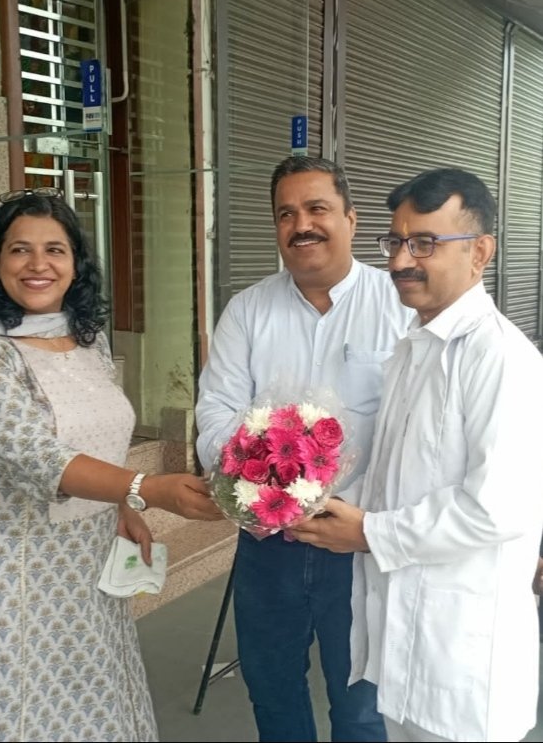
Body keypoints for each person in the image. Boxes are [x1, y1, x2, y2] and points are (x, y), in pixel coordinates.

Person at [0, 187, 224, 743]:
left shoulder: (87, 342)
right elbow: (35, 456)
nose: (38, 264)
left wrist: (122, 504)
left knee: (88, 709)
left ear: (76, 265)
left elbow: (96, 439)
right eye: (19, 250)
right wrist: (148, 487)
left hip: (84, 570)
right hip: (3, 576)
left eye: (54, 250)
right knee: (13, 716)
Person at [290, 167, 543, 742]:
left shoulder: (502, 359)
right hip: (402, 645)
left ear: (480, 252)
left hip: (462, 663)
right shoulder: (412, 348)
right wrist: (322, 501)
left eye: (425, 243)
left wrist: (369, 532)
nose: (402, 261)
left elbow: (497, 509)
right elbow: (398, 474)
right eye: (396, 242)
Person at [195, 155, 413, 742]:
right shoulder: (247, 310)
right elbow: (215, 410)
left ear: (350, 217)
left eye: (317, 208)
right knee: (272, 690)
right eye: (286, 214)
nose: (302, 225)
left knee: (361, 706)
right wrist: (262, 472)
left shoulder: (399, 305)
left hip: (362, 542)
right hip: (269, 542)